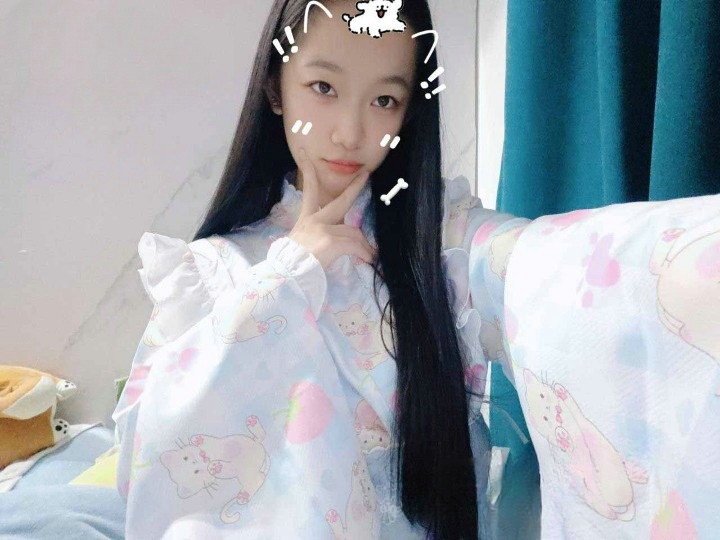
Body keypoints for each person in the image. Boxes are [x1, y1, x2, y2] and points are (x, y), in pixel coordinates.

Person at [112, 0, 531, 538]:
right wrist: (285, 281)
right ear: (275, 88)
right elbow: (149, 463)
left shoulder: (444, 241)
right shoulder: (213, 271)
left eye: (384, 100)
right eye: (324, 88)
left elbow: (543, 266)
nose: (350, 133)